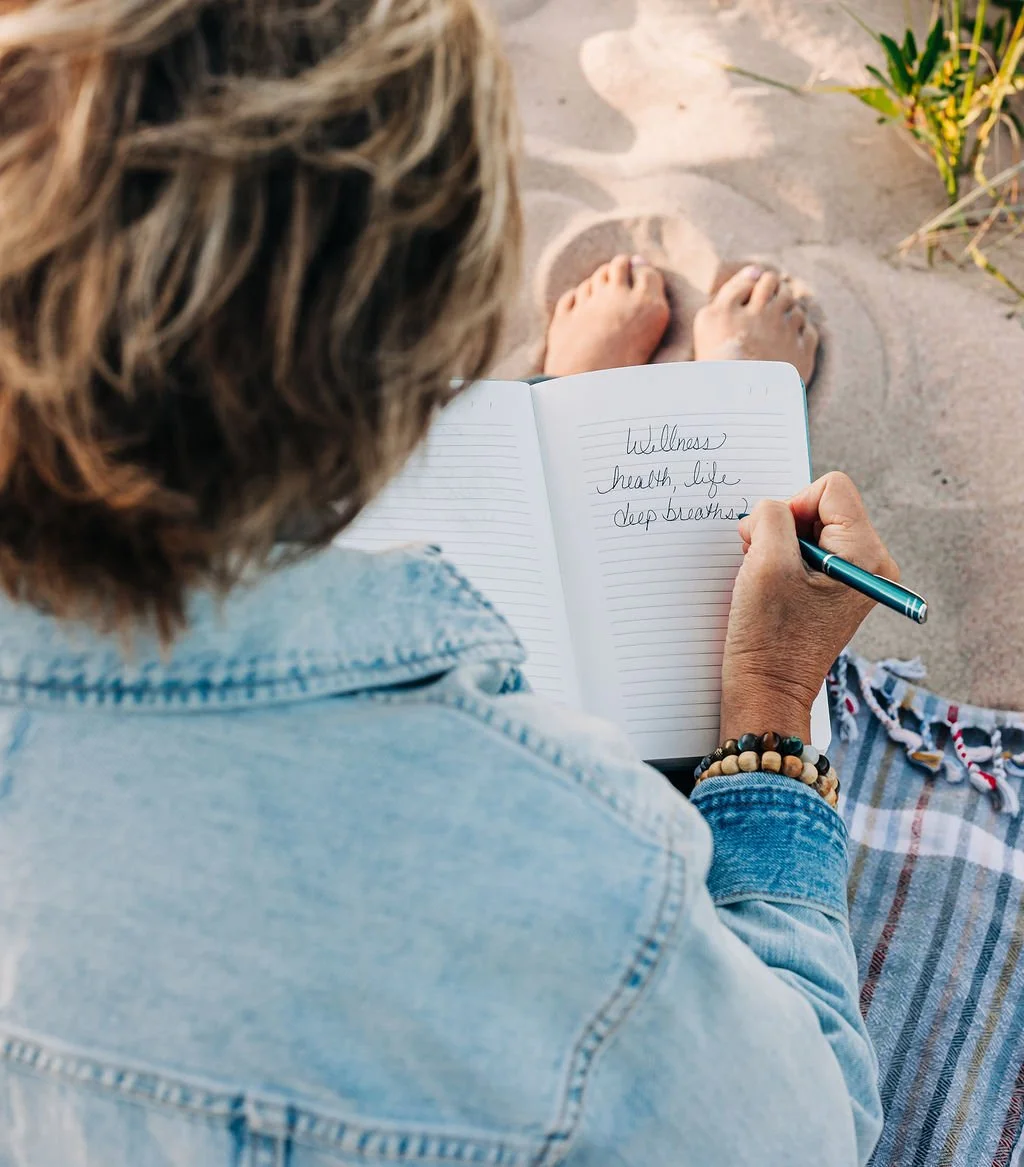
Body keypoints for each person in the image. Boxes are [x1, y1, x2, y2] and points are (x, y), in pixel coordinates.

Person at [0, 0, 889, 1163]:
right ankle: (660, 420)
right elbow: (808, 1132)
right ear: (418, 381)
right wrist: (772, 702)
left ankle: (558, 409)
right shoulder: (573, 871)